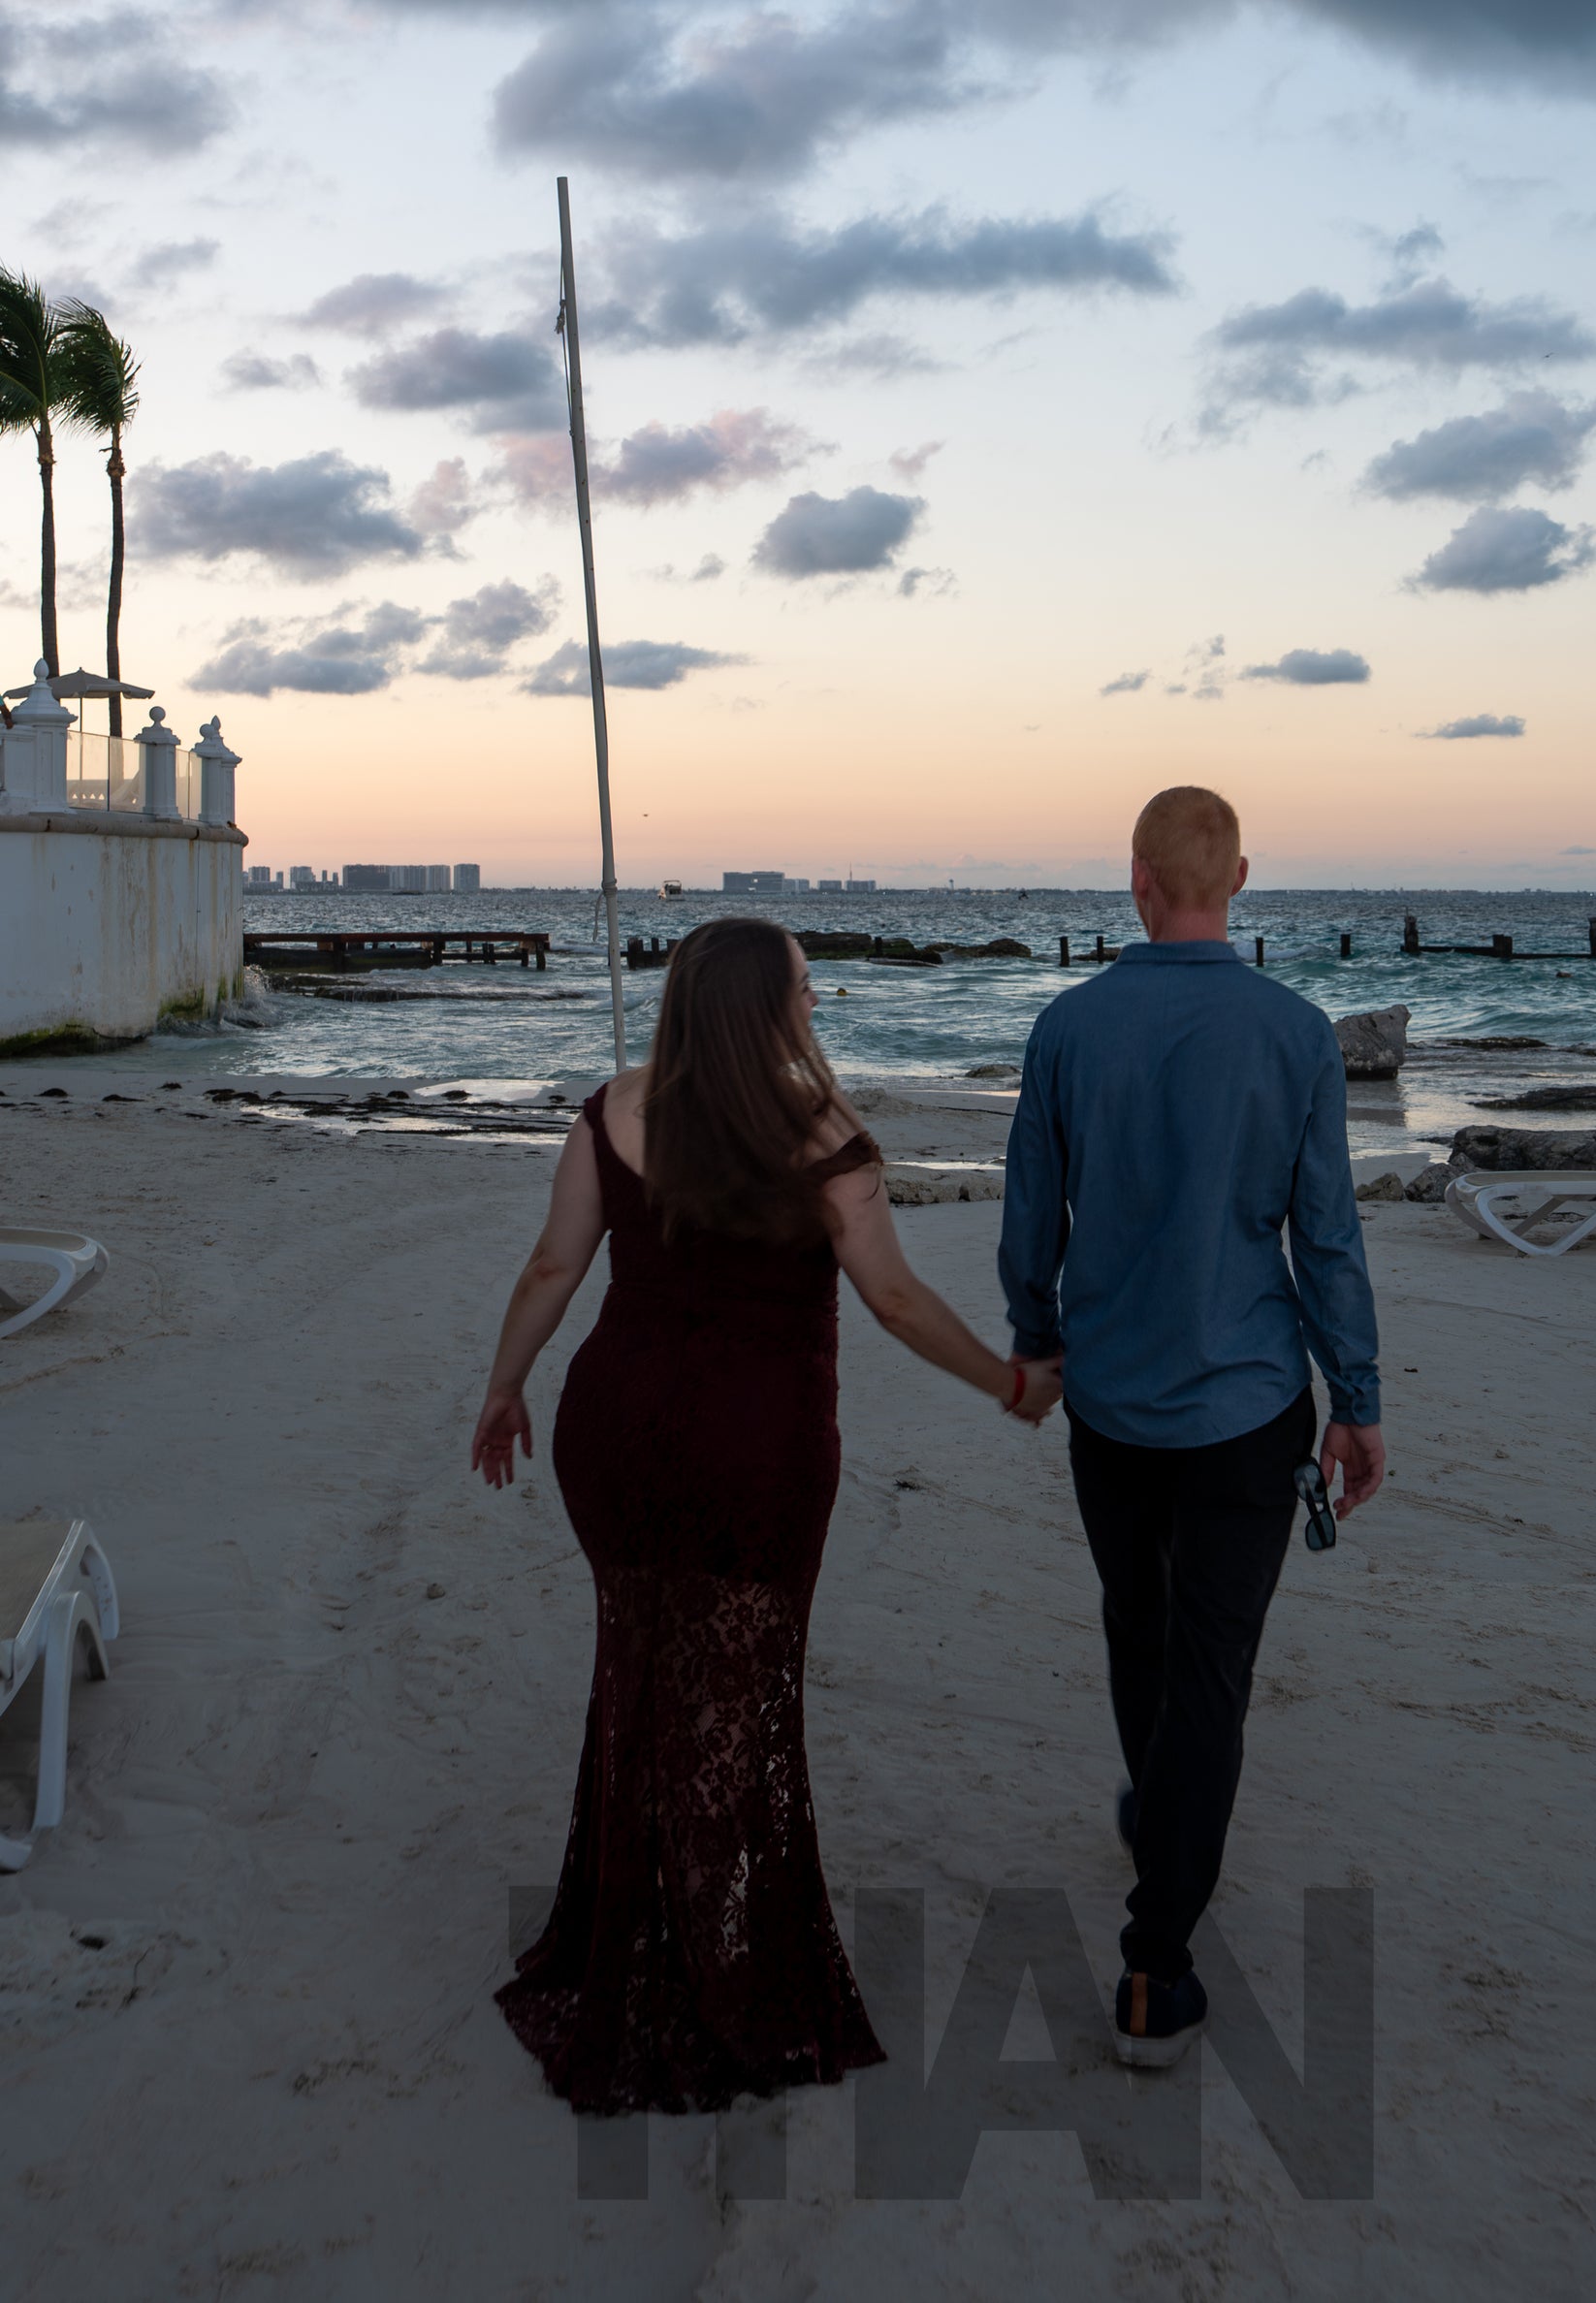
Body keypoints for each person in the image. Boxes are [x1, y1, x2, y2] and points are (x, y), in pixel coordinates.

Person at [474, 915, 1063, 2117]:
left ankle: (627, 1932)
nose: (813, 1003)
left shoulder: (613, 1109)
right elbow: (892, 1300)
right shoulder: (824, 1133)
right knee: (738, 1696)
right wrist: (1006, 1383)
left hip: (618, 1428)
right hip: (759, 1445)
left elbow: (552, 1267)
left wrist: (502, 1389)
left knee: (640, 1671)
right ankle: (721, 1964)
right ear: (774, 1007)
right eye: (804, 988)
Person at [999, 785, 1384, 2068]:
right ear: (1238, 877)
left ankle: (1157, 1835)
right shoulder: (1295, 1032)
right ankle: (1155, 1967)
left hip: (1111, 1396)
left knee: (1138, 1625)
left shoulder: (1067, 1025)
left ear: (1136, 880)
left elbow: (1027, 1220)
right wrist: (1358, 1399)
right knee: (1206, 1665)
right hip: (1246, 1399)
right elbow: (1323, 1234)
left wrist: (1034, 1334)